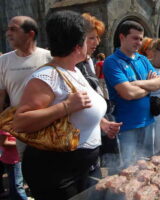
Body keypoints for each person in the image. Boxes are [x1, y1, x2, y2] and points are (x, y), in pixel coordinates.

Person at [12, 11, 122, 200]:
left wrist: (101, 123)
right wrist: (66, 107)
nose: (93, 44)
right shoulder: (47, 76)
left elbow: (82, 109)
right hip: (56, 173)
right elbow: (20, 122)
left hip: (82, 167)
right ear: (78, 45)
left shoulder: (74, 70)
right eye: (89, 39)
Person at [0, 15, 52, 200]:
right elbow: (1, 96)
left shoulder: (48, 57)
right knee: (29, 172)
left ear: (30, 34)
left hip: (50, 127)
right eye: (8, 29)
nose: (8, 33)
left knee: (52, 172)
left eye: (13, 29)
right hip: (21, 129)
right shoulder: (4, 61)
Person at [103, 21, 160, 167]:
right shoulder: (112, 62)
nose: (139, 42)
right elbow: (128, 94)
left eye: (141, 39)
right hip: (127, 126)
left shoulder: (142, 59)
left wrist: (137, 84)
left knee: (148, 164)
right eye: (135, 38)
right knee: (128, 168)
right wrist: (149, 86)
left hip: (148, 122)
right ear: (122, 37)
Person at [76, 13, 105, 96]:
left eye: (98, 37)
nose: (97, 42)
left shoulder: (89, 61)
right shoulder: (72, 65)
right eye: (92, 38)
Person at [0, 130, 27, 200]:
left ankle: (12, 196)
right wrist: (23, 142)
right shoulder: (6, 127)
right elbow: (4, 143)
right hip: (13, 159)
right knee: (17, 185)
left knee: (14, 182)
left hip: (11, 158)